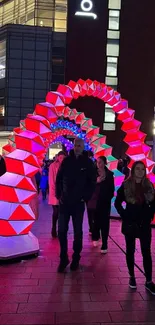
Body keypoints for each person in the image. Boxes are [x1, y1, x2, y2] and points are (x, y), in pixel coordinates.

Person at [56, 138, 96, 273]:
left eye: (80, 145)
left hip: (78, 204)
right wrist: (59, 195)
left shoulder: (88, 163)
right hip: (64, 202)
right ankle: (63, 258)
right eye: (75, 145)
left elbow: (92, 182)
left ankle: (76, 257)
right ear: (73, 146)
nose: (77, 147)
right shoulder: (66, 161)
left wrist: (85, 197)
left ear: (83, 147)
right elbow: (59, 179)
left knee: (78, 232)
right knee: (61, 231)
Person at [115, 161, 155, 294]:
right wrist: (124, 214)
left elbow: (153, 203)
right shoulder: (126, 185)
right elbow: (117, 202)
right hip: (130, 223)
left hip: (144, 224)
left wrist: (150, 215)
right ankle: (132, 277)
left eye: (142, 169)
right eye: (137, 169)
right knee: (130, 250)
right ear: (133, 171)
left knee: (146, 252)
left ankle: (149, 281)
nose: (140, 171)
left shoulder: (149, 186)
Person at [87, 156, 114, 253]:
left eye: (101, 162)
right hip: (94, 202)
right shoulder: (93, 174)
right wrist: (96, 181)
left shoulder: (110, 175)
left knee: (105, 223)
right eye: (97, 162)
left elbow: (112, 189)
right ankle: (95, 237)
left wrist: (107, 198)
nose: (99, 164)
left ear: (105, 163)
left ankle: (105, 244)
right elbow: (89, 186)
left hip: (105, 202)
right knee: (95, 222)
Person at [48, 151, 66, 238]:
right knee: (56, 211)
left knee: (62, 212)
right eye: (60, 157)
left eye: (63, 157)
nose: (62, 159)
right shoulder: (52, 166)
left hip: (64, 193)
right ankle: (54, 228)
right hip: (55, 192)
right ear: (57, 157)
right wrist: (55, 192)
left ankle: (60, 229)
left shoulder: (67, 166)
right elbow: (51, 180)